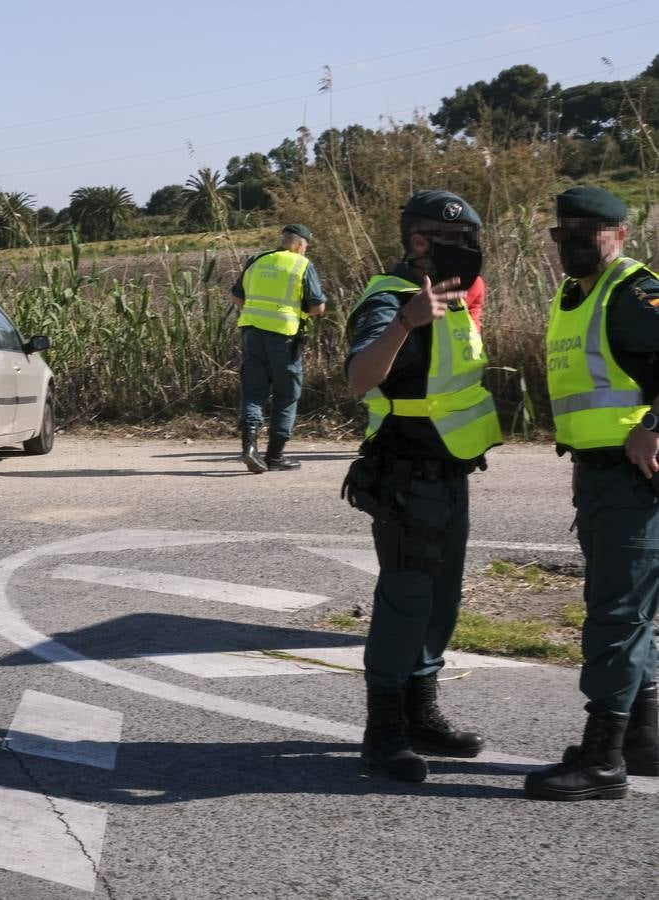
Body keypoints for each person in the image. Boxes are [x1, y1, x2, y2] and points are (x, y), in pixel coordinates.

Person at [341, 190, 502, 782]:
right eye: (455, 240)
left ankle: (420, 711)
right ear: (418, 242)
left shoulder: (454, 300)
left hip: (450, 469)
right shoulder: (389, 299)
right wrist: (406, 321)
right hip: (405, 474)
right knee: (405, 600)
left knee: (441, 601)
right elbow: (360, 378)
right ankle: (382, 731)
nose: (468, 251)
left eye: (470, 241)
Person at [524, 185, 659, 801]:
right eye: (563, 233)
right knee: (629, 613)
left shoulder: (633, 292)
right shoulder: (573, 295)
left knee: (616, 615)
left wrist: (654, 427)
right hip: (601, 476)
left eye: (589, 232)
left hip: (635, 478)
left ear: (621, 235)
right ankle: (642, 738)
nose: (573, 242)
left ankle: (603, 757)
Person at [230, 224, 326, 473]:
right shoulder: (301, 265)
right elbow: (317, 307)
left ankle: (249, 448)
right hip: (284, 337)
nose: (305, 250)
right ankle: (275, 456)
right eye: (305, 246)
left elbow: (237, 298)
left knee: (253, 392)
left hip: (251, 333)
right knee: (286, 395)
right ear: (299, 244)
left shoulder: (257, 259)